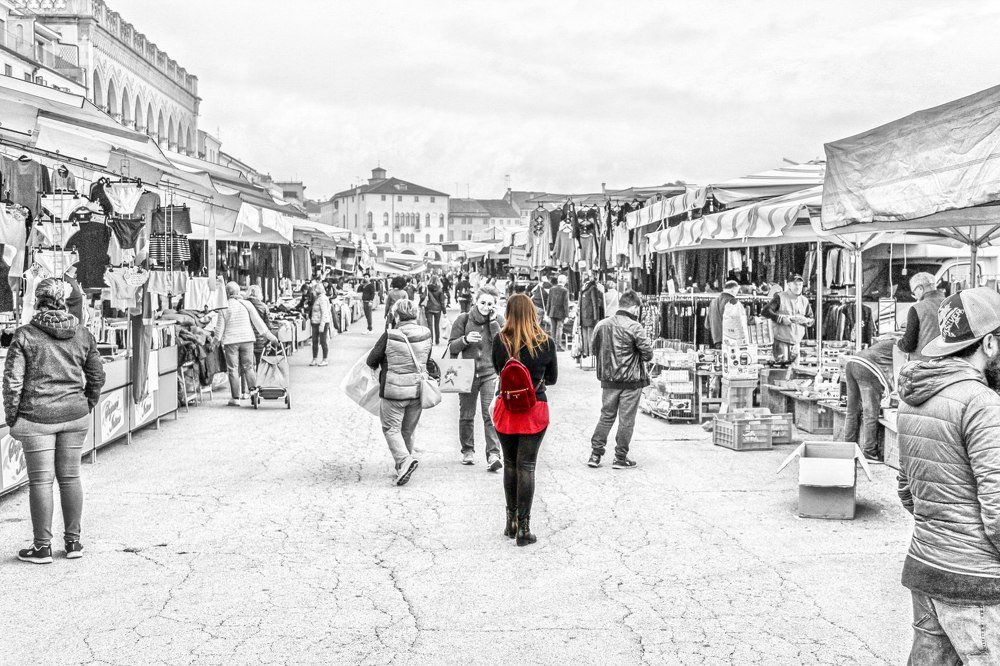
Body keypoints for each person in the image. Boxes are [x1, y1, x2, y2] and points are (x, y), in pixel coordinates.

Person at [896, 288, 1000, 664]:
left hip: (926, 566)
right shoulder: (981, 403)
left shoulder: (911, 399)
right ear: (988, 343)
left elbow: (907, 492)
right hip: (975, 581)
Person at [3, 278, 106, 563]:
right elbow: (97, 376)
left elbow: (12, 381)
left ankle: (42, 548)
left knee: (41, 482)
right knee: (71, 478)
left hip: (37, 417)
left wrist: (13, 418)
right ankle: (73, 544)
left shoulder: (24, 335)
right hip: (75, 415)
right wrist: (86, 403)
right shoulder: (82, 333)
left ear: (37, 301)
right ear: (63, 302)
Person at [491, 293, 558, 546]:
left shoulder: (500, 340)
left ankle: (511, 523)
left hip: (506, 408)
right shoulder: (546, 342)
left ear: (508, 313)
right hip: (534, 409)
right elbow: (552, 379)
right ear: (532, 313)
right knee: (526, 466)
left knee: (509, 463)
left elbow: (498, 370)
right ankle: (525, 528)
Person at [366, 299, 435, 486]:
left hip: (393, 392)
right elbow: (427, 360)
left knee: (391, 428)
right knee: (407, 430)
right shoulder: (426, 334)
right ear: (416, 314)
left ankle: (404, 461)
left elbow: (371, 360)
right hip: (417, 391)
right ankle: (402, 466)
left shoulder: (389, 335)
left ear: (396, 315)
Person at [587, 290, 654, 469]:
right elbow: (648, 354)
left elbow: (595, 349)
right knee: (626, 419)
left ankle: (595, 454)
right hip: (631, 381)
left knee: (606, 416)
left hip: (608, 380)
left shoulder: (601, 325)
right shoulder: (635, 327)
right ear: (634, 308)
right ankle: (620, 457)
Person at [448, 285, 504, 469]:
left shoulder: (498, 320)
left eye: (490, 304)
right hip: (466, 372)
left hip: (490, 372)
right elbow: (452, 347)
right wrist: (465, 340)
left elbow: (504, 345)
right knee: (466, 415)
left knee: (491, 414)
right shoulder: (463, 319)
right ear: (475, 302)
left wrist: (494, 322)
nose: (485, 306)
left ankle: (494, 454)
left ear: (495, 305)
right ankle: (468, 450)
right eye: (482, 302)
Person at [215, 282, 278, 406]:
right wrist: (271, 337)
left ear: (227, 293)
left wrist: (214, 342)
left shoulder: (224, 307)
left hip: (231, 341)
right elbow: (259, 323)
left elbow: (219, 330)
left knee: (233, 369)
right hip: (247, 339)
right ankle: (254, 394)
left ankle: (235, 398)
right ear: (238, 292)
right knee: (248, 367)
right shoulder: (247, 304)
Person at [843, 338, 895, 462]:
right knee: (870, 414)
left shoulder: (889, 339)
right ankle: (869, 453)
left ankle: (847, 449)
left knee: (852, 410)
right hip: (867, 367)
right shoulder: (904, 344)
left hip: (852, 362)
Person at [761, 275, 814, 365]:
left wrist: (806, 321)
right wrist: (780, 319)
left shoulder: (804, 300)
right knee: (781, 371)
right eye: (795, 284)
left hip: (796, 342)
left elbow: (811, 319)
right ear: (789, 285)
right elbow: (765, 311)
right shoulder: (780, 297)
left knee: (795, 371)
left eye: (800, 284)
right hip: (781, 341)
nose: (798, 287)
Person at [897, 272, 945, 361]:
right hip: (949, 364)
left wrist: (898, 342)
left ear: (920, 288)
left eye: (914, 293)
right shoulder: (951, 303)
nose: (915, 297)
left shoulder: (917, 308)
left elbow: (909, 345)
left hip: (923, 365)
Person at [578, 275, 605, 364]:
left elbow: (595, 303)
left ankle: (590, 352)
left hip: (590, 317)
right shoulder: (584, 288)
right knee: (584, 336)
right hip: (583, 316)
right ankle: (586, 351)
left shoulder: (592, 288)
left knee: (590, 336)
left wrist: (596, 318)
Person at [706, 280, 741, 349]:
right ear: (733, 290)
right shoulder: (732, 301)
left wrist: (717, 332)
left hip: (717, 341)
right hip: (731, 340)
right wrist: (755, 319)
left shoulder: (713, 302)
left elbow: (707, 325)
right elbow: (741, 319)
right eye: (737, 291)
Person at [246, 284, 273, 364]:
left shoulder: (244, 305)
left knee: (247, 364)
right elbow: (268, 325)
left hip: (247, 337)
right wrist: (268, 341)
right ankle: (258, 376)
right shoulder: (263, 306)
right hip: (260, 338)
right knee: (260, 363)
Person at [548, 275, 570, 352]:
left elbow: (549, 302)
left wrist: (548, 313)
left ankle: (552, 346)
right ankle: (558, 346)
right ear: (564, 281)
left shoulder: (551, 289)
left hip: (552, 311)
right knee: (559, 329)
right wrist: (567, 315)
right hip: (561, 312)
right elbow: (566, 304)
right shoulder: (565, 290)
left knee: (553, 329)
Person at [421, 276, 446, 345]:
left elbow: (423, 297)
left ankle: (430, 341)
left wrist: (420, 304)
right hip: (438, 309)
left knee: (430, 325)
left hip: (428, 308)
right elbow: (442, 302)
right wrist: (444, 312)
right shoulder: (440, 289)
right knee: (437, 325)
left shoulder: (427, 288)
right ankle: (437, 340)